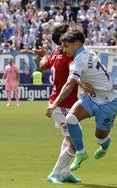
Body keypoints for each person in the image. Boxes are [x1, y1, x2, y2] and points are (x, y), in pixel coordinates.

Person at [46, 30, 117, 171]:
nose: (64, 49)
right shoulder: (87, 52)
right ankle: (81, 153)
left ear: (77, 44)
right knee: (71, 118)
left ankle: (104, 146)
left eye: (66, 46)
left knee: (100, 139)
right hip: (91, 98)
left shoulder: (79, 59)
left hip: (108, 103)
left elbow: (69, 85)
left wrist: (54, 104)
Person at [34, 23, 83, 184]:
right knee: (75, 140)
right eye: (68, 32)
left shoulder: (55, 53)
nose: (72, 33)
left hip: (64, 104)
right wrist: (83, 84)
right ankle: (55, 174)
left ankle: (66, 173)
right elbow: (74, 76)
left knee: (69, 138)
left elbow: (41, 67)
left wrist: (41, 55)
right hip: (60, 105)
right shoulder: (69, 55)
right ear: (63, 39)